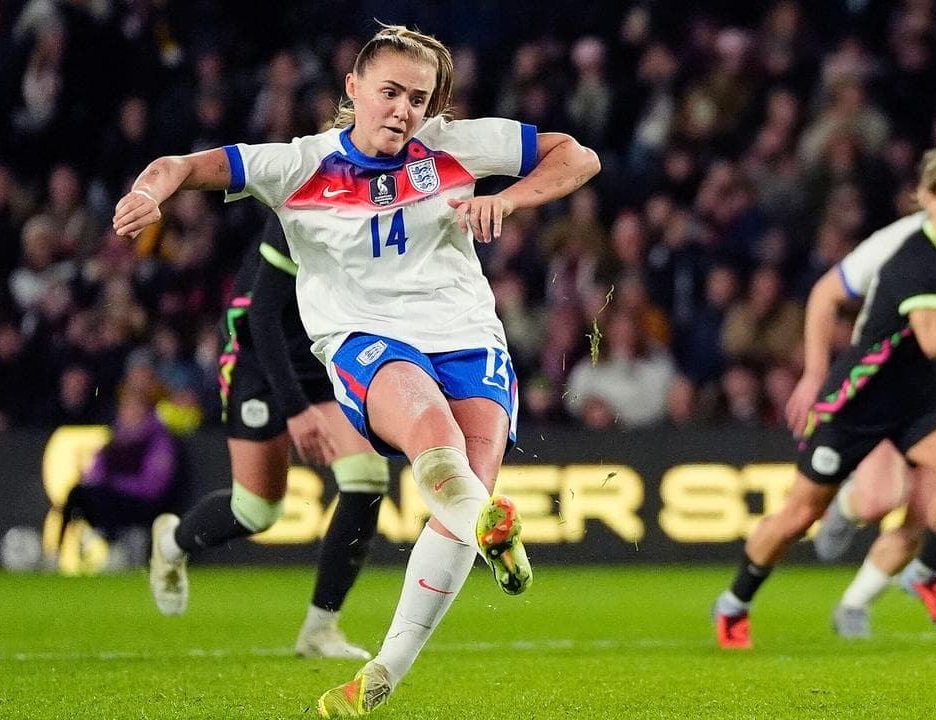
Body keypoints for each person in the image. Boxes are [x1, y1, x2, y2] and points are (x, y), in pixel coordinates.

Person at [112, 24, 600, 717]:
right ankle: (486, 526)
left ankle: (383, 673)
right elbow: (181, 164)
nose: (403, 109)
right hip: (365, 340)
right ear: (354, 89)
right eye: (390, 92)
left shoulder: (452, 147)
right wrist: (149, 192)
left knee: (461, 499)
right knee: (431, 438)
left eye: (418, 98)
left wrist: (509, 199)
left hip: (468, 338)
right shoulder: (298, 166)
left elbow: (576, 156)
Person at [710, 145, 936, 649]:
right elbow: (932, 338)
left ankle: (924, 573)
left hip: (924, 397)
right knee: (801, 515)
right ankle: (736, 601)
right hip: (862, 397)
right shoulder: (910, 258)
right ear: (927, 199)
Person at [145, 213, 386, 660]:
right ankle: (171, 543)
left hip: (324, 354)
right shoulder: (302, 205)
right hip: (258, 355)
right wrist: (296, 411)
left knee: (367, 478)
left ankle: (319, 629)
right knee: (256, 510)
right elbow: (263, 316)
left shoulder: (384, 199)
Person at [785, 208, 936, 638]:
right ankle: (845, 506)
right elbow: (826, 294)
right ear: (930, 198)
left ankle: (854, 605)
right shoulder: (896, 242)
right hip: (887, 388)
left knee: (926, 515)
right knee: (879, 499)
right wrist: (814, 372)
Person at [57, 390, 183, 558]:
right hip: (112, 497)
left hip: (141, 503)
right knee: (77, 493)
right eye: (125, 409)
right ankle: (57, 551)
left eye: (134, 409)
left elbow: (153, 486)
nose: (128, 414)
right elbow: (96, 472)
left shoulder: (157, 440)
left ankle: (115, 545)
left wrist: (115, 485)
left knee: (107, 499)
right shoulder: (115, 440)